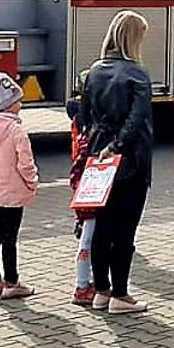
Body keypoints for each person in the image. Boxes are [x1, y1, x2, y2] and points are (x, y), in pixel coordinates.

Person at [80, 10, 156, 315]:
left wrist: (103, 145)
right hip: (130, 160)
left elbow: (84, 116)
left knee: (102, 227)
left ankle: (101, 290)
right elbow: (136, 120)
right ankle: (121, 295)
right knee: (125, 230)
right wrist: (118, 146)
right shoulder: (137, 73)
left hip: (97, 156)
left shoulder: (94, 71)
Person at [0, 71, 39, 301]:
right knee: (10, 238)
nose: (20, 104)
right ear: (8, 104)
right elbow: (25, 162)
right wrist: (32, 181)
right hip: (13, 192)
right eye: (17, 100)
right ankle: (12, 282)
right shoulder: (16, 130)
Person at [64, 73, 100, 306]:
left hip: (82, 185)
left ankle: (86, 283)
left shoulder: (77, 117)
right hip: (92, 187)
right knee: (88, 240)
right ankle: (82, 285)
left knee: (89, 236)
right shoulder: (91, 124)